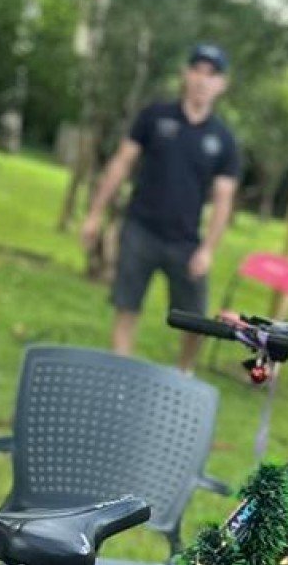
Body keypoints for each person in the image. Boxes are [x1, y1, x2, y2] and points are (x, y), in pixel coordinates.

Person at [77, 43, 241, 370]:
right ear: (185, 74)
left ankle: (184, 375)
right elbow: (121, 164)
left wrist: (208, 249)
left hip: (185, 241)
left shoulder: (223, 140)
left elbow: (224, 199)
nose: (202, 80)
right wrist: (94, 214)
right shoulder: (155, 117)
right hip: (140, 230)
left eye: (212, 75)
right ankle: (120, 372)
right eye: (197, 70)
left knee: (195, 320)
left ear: (221, 85)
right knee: (127, 306)